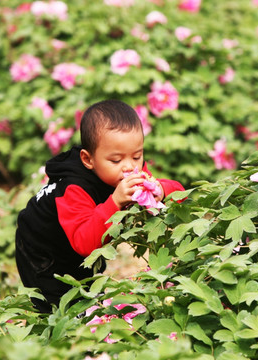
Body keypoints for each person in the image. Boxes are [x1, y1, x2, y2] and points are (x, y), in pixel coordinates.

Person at [15, 99, 185, 312]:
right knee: (59, 307)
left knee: (86, 287)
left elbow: (181, 193)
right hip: (41, 250)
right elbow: (84, 243)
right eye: (116, 160)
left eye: (137, 156)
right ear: (88, 159)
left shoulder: (126, 169)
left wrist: (161, 189)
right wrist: (114, 202)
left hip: (78, 238)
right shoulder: (73, 188)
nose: (129, 167)